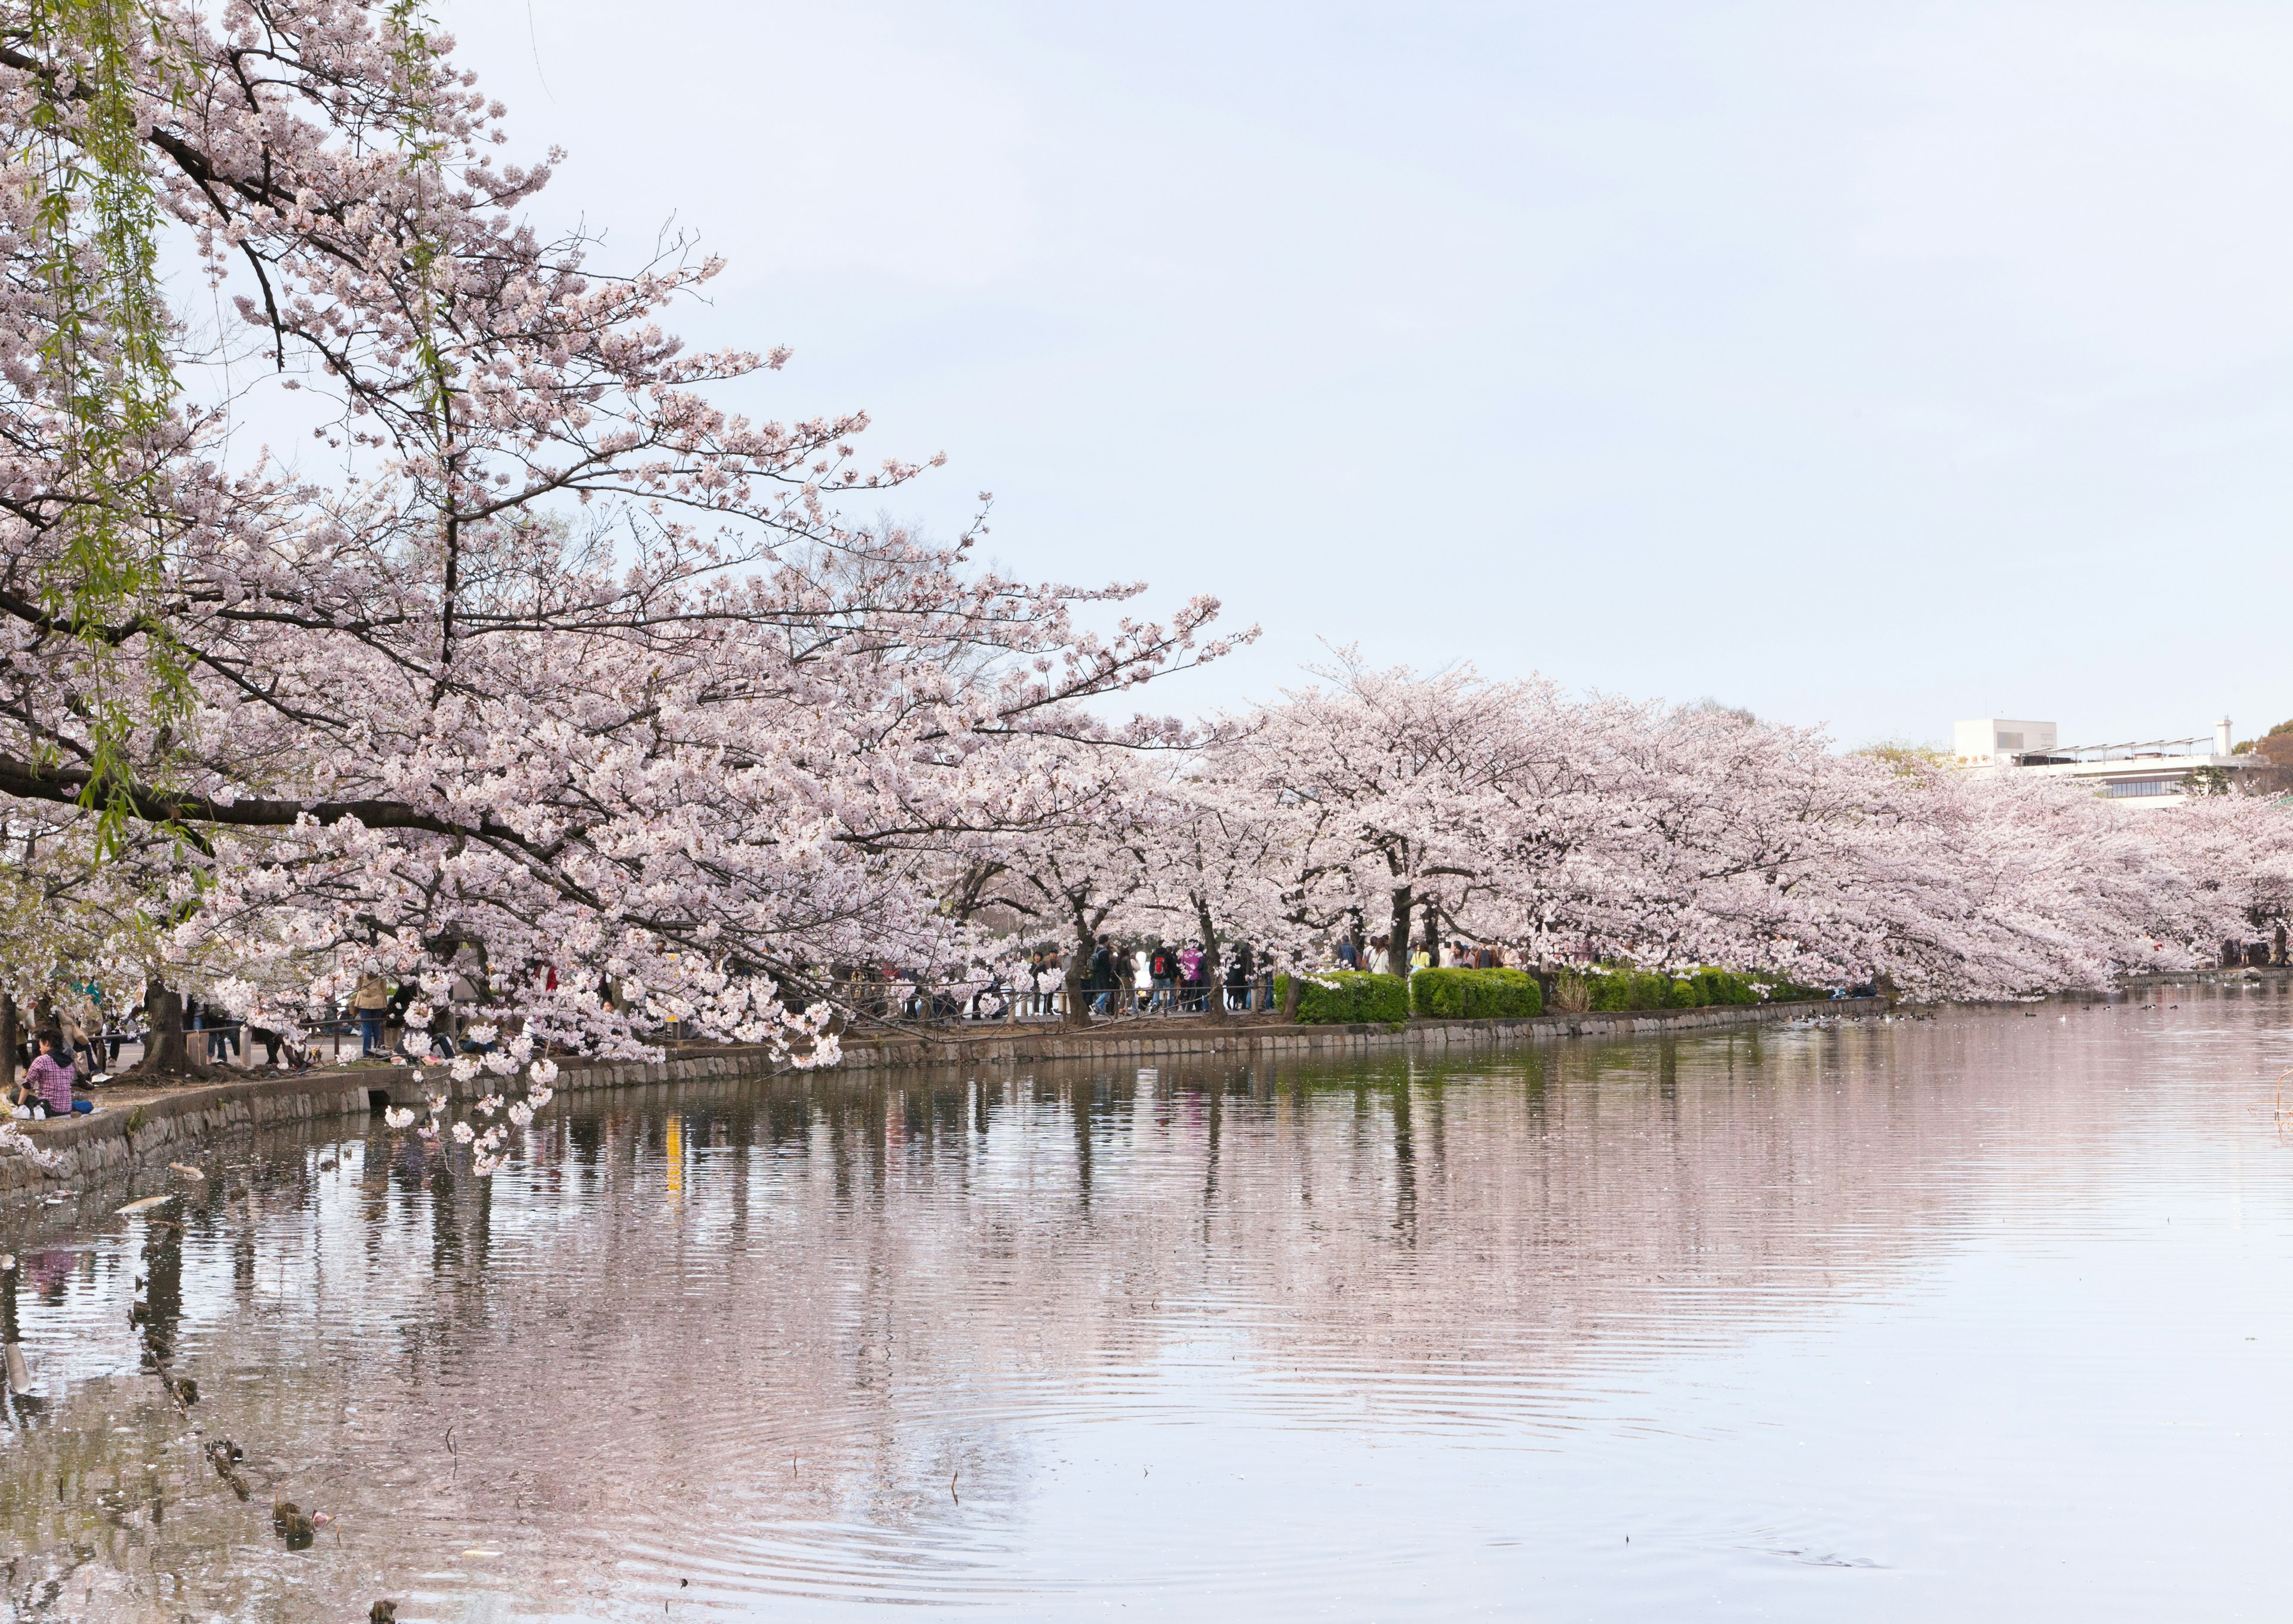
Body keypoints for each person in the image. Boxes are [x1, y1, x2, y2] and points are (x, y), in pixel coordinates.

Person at [14, 1032, 84, 1118]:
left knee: (14, 1093)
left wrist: (20, 1106)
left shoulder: (41, 1060)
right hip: (67, 1109)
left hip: (47, 1109)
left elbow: (27, 1085)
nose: (40, 1049)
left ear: (46, 1043)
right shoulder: (69, 1063)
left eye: (40, 1046)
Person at [353, 972, 389, 1056]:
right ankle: (378, 1051)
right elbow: (384, 989)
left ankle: (366, 1052)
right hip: (378, 1001)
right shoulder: (381, 972)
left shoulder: (362, 971)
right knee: (376, 1026)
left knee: (366, 1026)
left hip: (364, 1001)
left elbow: (358, 986)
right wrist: (385, 1003)